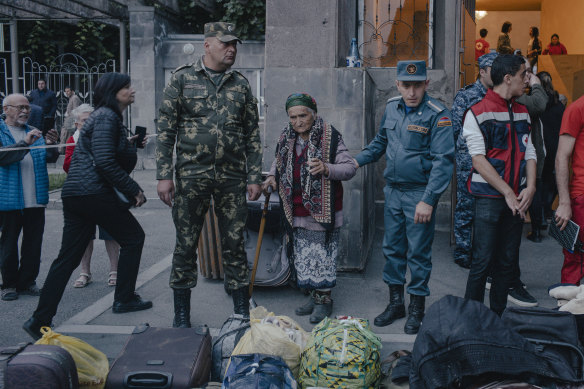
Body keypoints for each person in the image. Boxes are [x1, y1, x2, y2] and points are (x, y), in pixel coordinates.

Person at [23, 72, 151, 340]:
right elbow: (104, 162)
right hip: (93, 193)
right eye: (128, 87)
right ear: (114, 92)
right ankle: (124, 298)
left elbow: (104, 153)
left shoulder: (105, 118)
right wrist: (133, 189)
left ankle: (39, 319)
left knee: (67, 258)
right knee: (133, 237)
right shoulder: (106, 117)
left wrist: (128, 147)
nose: (133, 91)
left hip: (77, 194)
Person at [157, 22, 262, 328]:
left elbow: (252, 135)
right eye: (225, 43)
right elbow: (165, 131)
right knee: (186, 244)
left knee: (234, 243)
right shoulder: (181, 79)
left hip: (232, 177)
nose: (232, 49)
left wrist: (254, 175)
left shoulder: (241, 85)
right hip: (191, 176)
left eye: (235, 45)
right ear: (207, 45)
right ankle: (181, 316)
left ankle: (241, 309)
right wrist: (164, 175)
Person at [354, 60, 455, 334]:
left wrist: (429, 199)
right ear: (397, 85)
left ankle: (417, 309)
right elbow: (379, 144)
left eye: (417, 85)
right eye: (406, 85)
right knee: (393, 250)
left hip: (419, 194)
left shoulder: (438, 114)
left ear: (426, 84)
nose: (411, 92)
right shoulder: (391, 108)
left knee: (418, 255)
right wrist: (355, 162)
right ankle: (396, 303)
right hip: (394, 192)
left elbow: (443, 161)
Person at [262, 93, 357, 324]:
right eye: (293, 117)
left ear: (313, 114)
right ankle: (314, 297)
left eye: (302, 115)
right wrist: (272, 177)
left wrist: (326, 168)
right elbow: (278, 160)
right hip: (295, 210)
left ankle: (324, 301)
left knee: (322, 258)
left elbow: (349, 168)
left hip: (322, 212)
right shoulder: (286, 136)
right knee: (304, 257)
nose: (297, 121)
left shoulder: (330, 136)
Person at [463, 54, 537, 316]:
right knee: (482, 262)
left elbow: (530, 152)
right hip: (489, 199)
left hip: (517, 198)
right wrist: (507, 191)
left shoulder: (523, 111)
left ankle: (496, 319)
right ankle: (471, 321)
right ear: (508, 78)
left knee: (507, 262)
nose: (527, 79)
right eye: (523, 74)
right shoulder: (477, 112)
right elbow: (478, 159)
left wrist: (531, 188)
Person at [0, 94, 59, 301]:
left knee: (33, 243)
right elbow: (3, 157)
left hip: (35, 197)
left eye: (27, 108)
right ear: (6, 109)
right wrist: (24, 143)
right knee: (8, 244)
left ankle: (27, 282)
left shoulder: (34, 132)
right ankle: (8, 284)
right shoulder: (2, 132)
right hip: (9, 199)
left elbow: (48, 157)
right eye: (20, 107)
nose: (25, 111)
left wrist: (53, 143)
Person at [63, 104, 120, 288]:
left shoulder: (105, 138)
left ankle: (115, 270)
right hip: (82, 193)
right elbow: (67, 166)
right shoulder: (73, 139)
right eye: (86, 121)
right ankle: (85, 272)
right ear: (77, 124)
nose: (91, 124)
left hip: (104, 191)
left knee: (110, 232)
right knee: (85, 235)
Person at [451, 52, 498, 270]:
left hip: (493, 159)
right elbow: (455, 130)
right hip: (468, 160)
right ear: (482, 71)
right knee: (466, 205)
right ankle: (462, 250)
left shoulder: (501, 95)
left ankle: (484, 251)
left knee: (489, 206)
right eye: (493, 69)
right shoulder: (467, 95)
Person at [517, 60, 548, 247]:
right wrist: (536, 83)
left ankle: (536, 228)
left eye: (530, 72)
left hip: (533, 154)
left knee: (534, 189)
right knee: (531, 189)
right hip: (526, 157)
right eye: (525, 72)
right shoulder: (518, 97)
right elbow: (539, 104)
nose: (528, 76)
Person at [554, 94, 584, 285]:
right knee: (575, 261)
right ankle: (567, 313)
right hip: (582, 196)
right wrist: (564, 203)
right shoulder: (577, 108)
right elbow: (561, 157)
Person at [537, 71, 564, 222]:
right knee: (551, 181)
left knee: (539, 180)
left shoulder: (537, 103)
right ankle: (547, 209)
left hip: (541, 147)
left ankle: (540, 213)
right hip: (556, 146)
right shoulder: (558, 103)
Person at [60, 86, 83, 153]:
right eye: (66, 91)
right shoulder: (71, 98)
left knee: (66, 135)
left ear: (72, 91)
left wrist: (71, 121)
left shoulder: (74, 98)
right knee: (65, 135)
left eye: (68, 91)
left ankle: (64, 151)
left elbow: (75, 110)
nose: (67, 93)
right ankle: (63, 151)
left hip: (71, 120)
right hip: (69, 119)